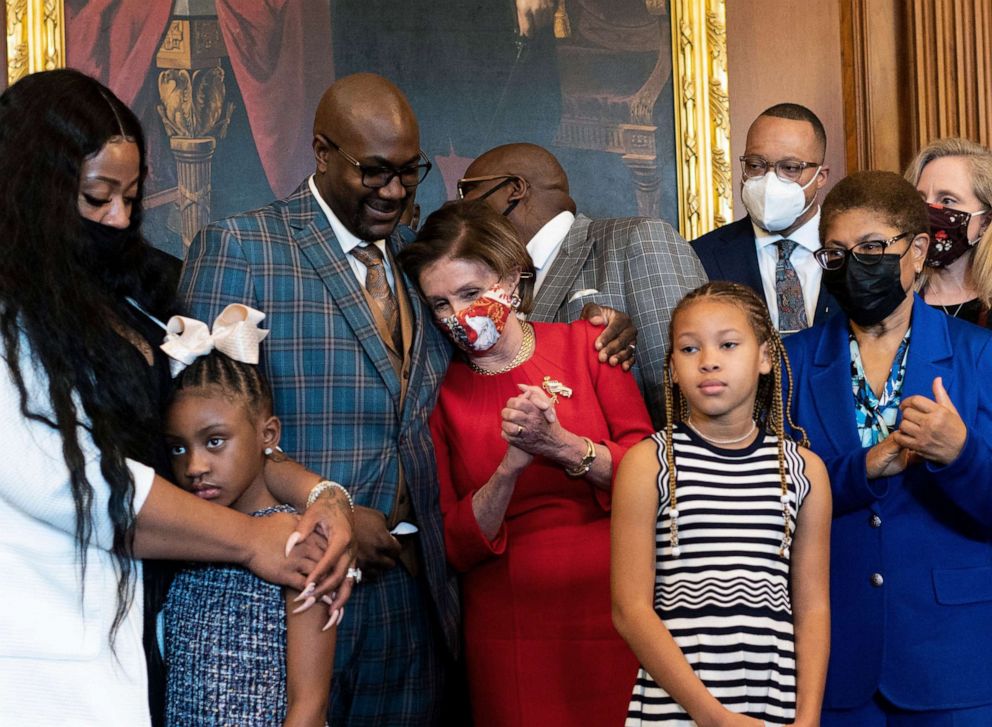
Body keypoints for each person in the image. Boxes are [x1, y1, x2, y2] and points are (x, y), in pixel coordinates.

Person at [0, 69, 353, 727]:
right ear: (33, 193)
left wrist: (324, 498)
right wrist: (251, 540)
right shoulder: (10, 319)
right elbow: (75, 486)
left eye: (131, 196)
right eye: (97, 197)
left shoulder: (145, 293)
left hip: (164, 618)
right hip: (44, 648)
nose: (120, 218)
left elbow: (225, 423)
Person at [179, 72, 460, 726]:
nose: (394, 190)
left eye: (409, 171)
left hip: (416, 604)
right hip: (295, 597)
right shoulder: (242, 247)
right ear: (322, 152)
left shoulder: (418, 266)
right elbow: (206, 438)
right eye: (375, 170)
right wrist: (324, 505)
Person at [397, 201, 655, 726]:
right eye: (440, 303)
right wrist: (511, 466)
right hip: (508, 625)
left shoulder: (590, 344)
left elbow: (652, 475)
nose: (457, 317)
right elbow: (455, 542)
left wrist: (562, 446)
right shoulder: (438, 393)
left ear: (514, 278)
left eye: (471, 293)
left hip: (616, 605)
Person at [785, 170, 992, 724]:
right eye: (836, 253)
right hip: (833, 657)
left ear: (918, 249)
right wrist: (860, 469)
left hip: (954, 660)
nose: (855, 265)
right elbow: (765, 500)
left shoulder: (980, 356)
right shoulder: (789, 361)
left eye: (874, 248)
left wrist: (962, 454)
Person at [612, 282, 831, 726]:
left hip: (774, 706)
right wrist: (710, 715)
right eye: (689, 349)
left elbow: (812, 608)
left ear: (766, 356)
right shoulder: (648, 463)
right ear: (672, 367)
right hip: (675, 711)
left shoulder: (803, 470)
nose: (708, 360)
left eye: (728, 344)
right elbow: (629, 609)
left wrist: (807, 719)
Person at [161, 307, 337, 726]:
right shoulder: (185, 539)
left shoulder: (301, 543)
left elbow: (309, 705)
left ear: (268, 435)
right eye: (179, 448)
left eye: (215, 441)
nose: (195, 466)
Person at [460, 142, 708, 427]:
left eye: (467, 191)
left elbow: (688, 385)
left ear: (514, 189)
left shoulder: (637, 238)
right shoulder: (494, 283)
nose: (462, 207)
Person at [692, 103, 837, 335]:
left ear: (820, 177)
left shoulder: (854, 252)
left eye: (790, 168)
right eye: (756, 165)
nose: (770, 179)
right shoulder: (700, 255)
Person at [905, 137, 992, 327]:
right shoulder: (895, 300)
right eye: (920, 199)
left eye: (946, 200)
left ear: (986, 220)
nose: (928, 210)